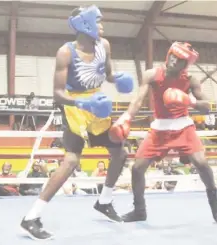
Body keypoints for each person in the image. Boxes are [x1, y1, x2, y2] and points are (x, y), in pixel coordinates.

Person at [21, 5, 134, 240]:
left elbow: (107, 73)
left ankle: (104, 201)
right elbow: (57, 93)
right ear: (85, 24)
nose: (102, 26)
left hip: (98, 104)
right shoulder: (65, 52)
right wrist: (83, 104)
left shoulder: (104, 45)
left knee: (120, 153)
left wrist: (119, 79)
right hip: (76, 108)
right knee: (71, 161)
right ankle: (31, 217)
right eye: (99, 21)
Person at [109, 42, 217, 224]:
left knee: (201, 163)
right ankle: (139, 210)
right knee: (137, 168)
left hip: (183, 126)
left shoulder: (191, 80)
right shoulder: (152, 75)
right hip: (159, 128)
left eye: (178, 59)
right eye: (172, 55)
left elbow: (208, 107)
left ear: (185, 64)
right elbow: (138, 100)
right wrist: (126, 117)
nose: (173, 60)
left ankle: (214, 201)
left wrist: (189, 101)